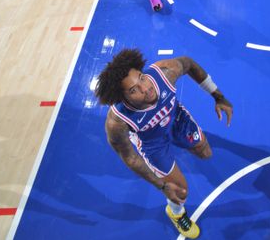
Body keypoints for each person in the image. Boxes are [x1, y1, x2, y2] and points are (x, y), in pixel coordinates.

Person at [95, 49, 233, 239]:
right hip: (153, 144)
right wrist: (161, 186)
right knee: (181, 191)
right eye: (133, 90)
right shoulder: (117, 122)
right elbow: (129, 157)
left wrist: (218, 96)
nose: (145, 89)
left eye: (142, 78)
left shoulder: (165, 73)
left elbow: (189, 63)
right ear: (123, 98)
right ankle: (176, 213)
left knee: (205, 152)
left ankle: (181, 143)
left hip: (176, 119)